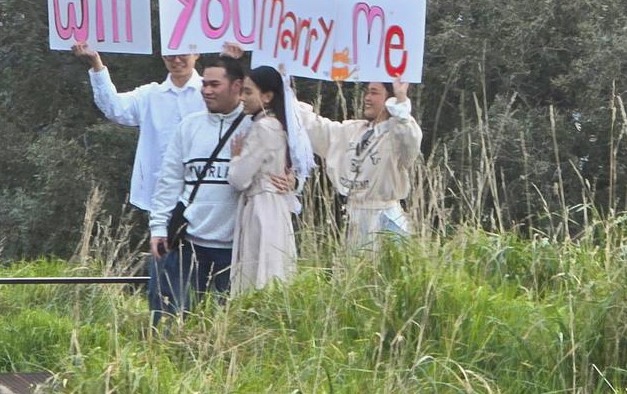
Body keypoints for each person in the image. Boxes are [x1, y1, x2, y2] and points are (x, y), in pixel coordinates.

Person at [72, 40, 204, 321]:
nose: (176, 59)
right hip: (163, 202)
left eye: (183, 52)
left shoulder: (210, 92)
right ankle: (165, 336)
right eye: (170, 52)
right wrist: (96, 63)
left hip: (208, 200)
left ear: (197, 52)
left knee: (205, 277)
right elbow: (115, 107)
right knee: (165, 276)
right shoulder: (151, 95)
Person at [148, 53, 254, 311]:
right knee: (172, 319)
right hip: (190, 243)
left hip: (236, 248)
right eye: (204, 84)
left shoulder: (256, 127)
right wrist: (159, 227)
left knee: (227, 324)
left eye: (214, 85)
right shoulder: (189, 127)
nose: (206, 91)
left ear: (237, 86)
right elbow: (170, 180)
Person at [298, 79, 422, 250]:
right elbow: (318, 128)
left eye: (374, 92)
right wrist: (284, 91)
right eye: (367, 92)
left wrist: (401, 101)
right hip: (357, 219)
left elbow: (410, 141)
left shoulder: (396, 134)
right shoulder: (353, 130)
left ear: (389, 99)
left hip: (385, 218)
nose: (367, 98)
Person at [226, 65, 306, 295]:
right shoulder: (278, 126)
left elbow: (239, 178)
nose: (242, 98)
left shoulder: (264, 127)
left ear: (267, 96)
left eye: (248, 92)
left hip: (262, 207)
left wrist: (236, 158)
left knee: (260, 270)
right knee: (272, 268)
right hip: (273, 205)